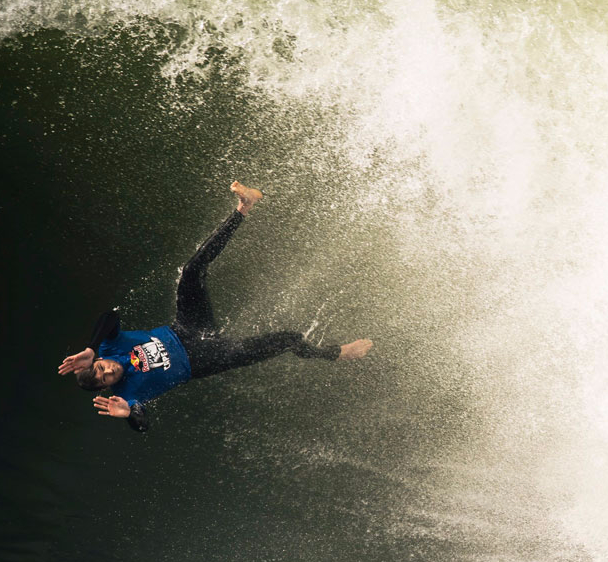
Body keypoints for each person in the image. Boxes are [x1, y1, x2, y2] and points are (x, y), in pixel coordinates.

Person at [56, 181, 373, 432]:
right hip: (204, 360)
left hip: (187, 328)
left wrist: (90, 347)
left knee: (191, 270)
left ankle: (243, 208)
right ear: (109, 387)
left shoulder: (110, 349)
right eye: (106, 379)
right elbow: (142, 425)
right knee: (288, 339)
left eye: (101, 368)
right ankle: (337, 353)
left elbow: (111, 316)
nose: (109, 371)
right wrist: (129, 415)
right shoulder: (128, 395)